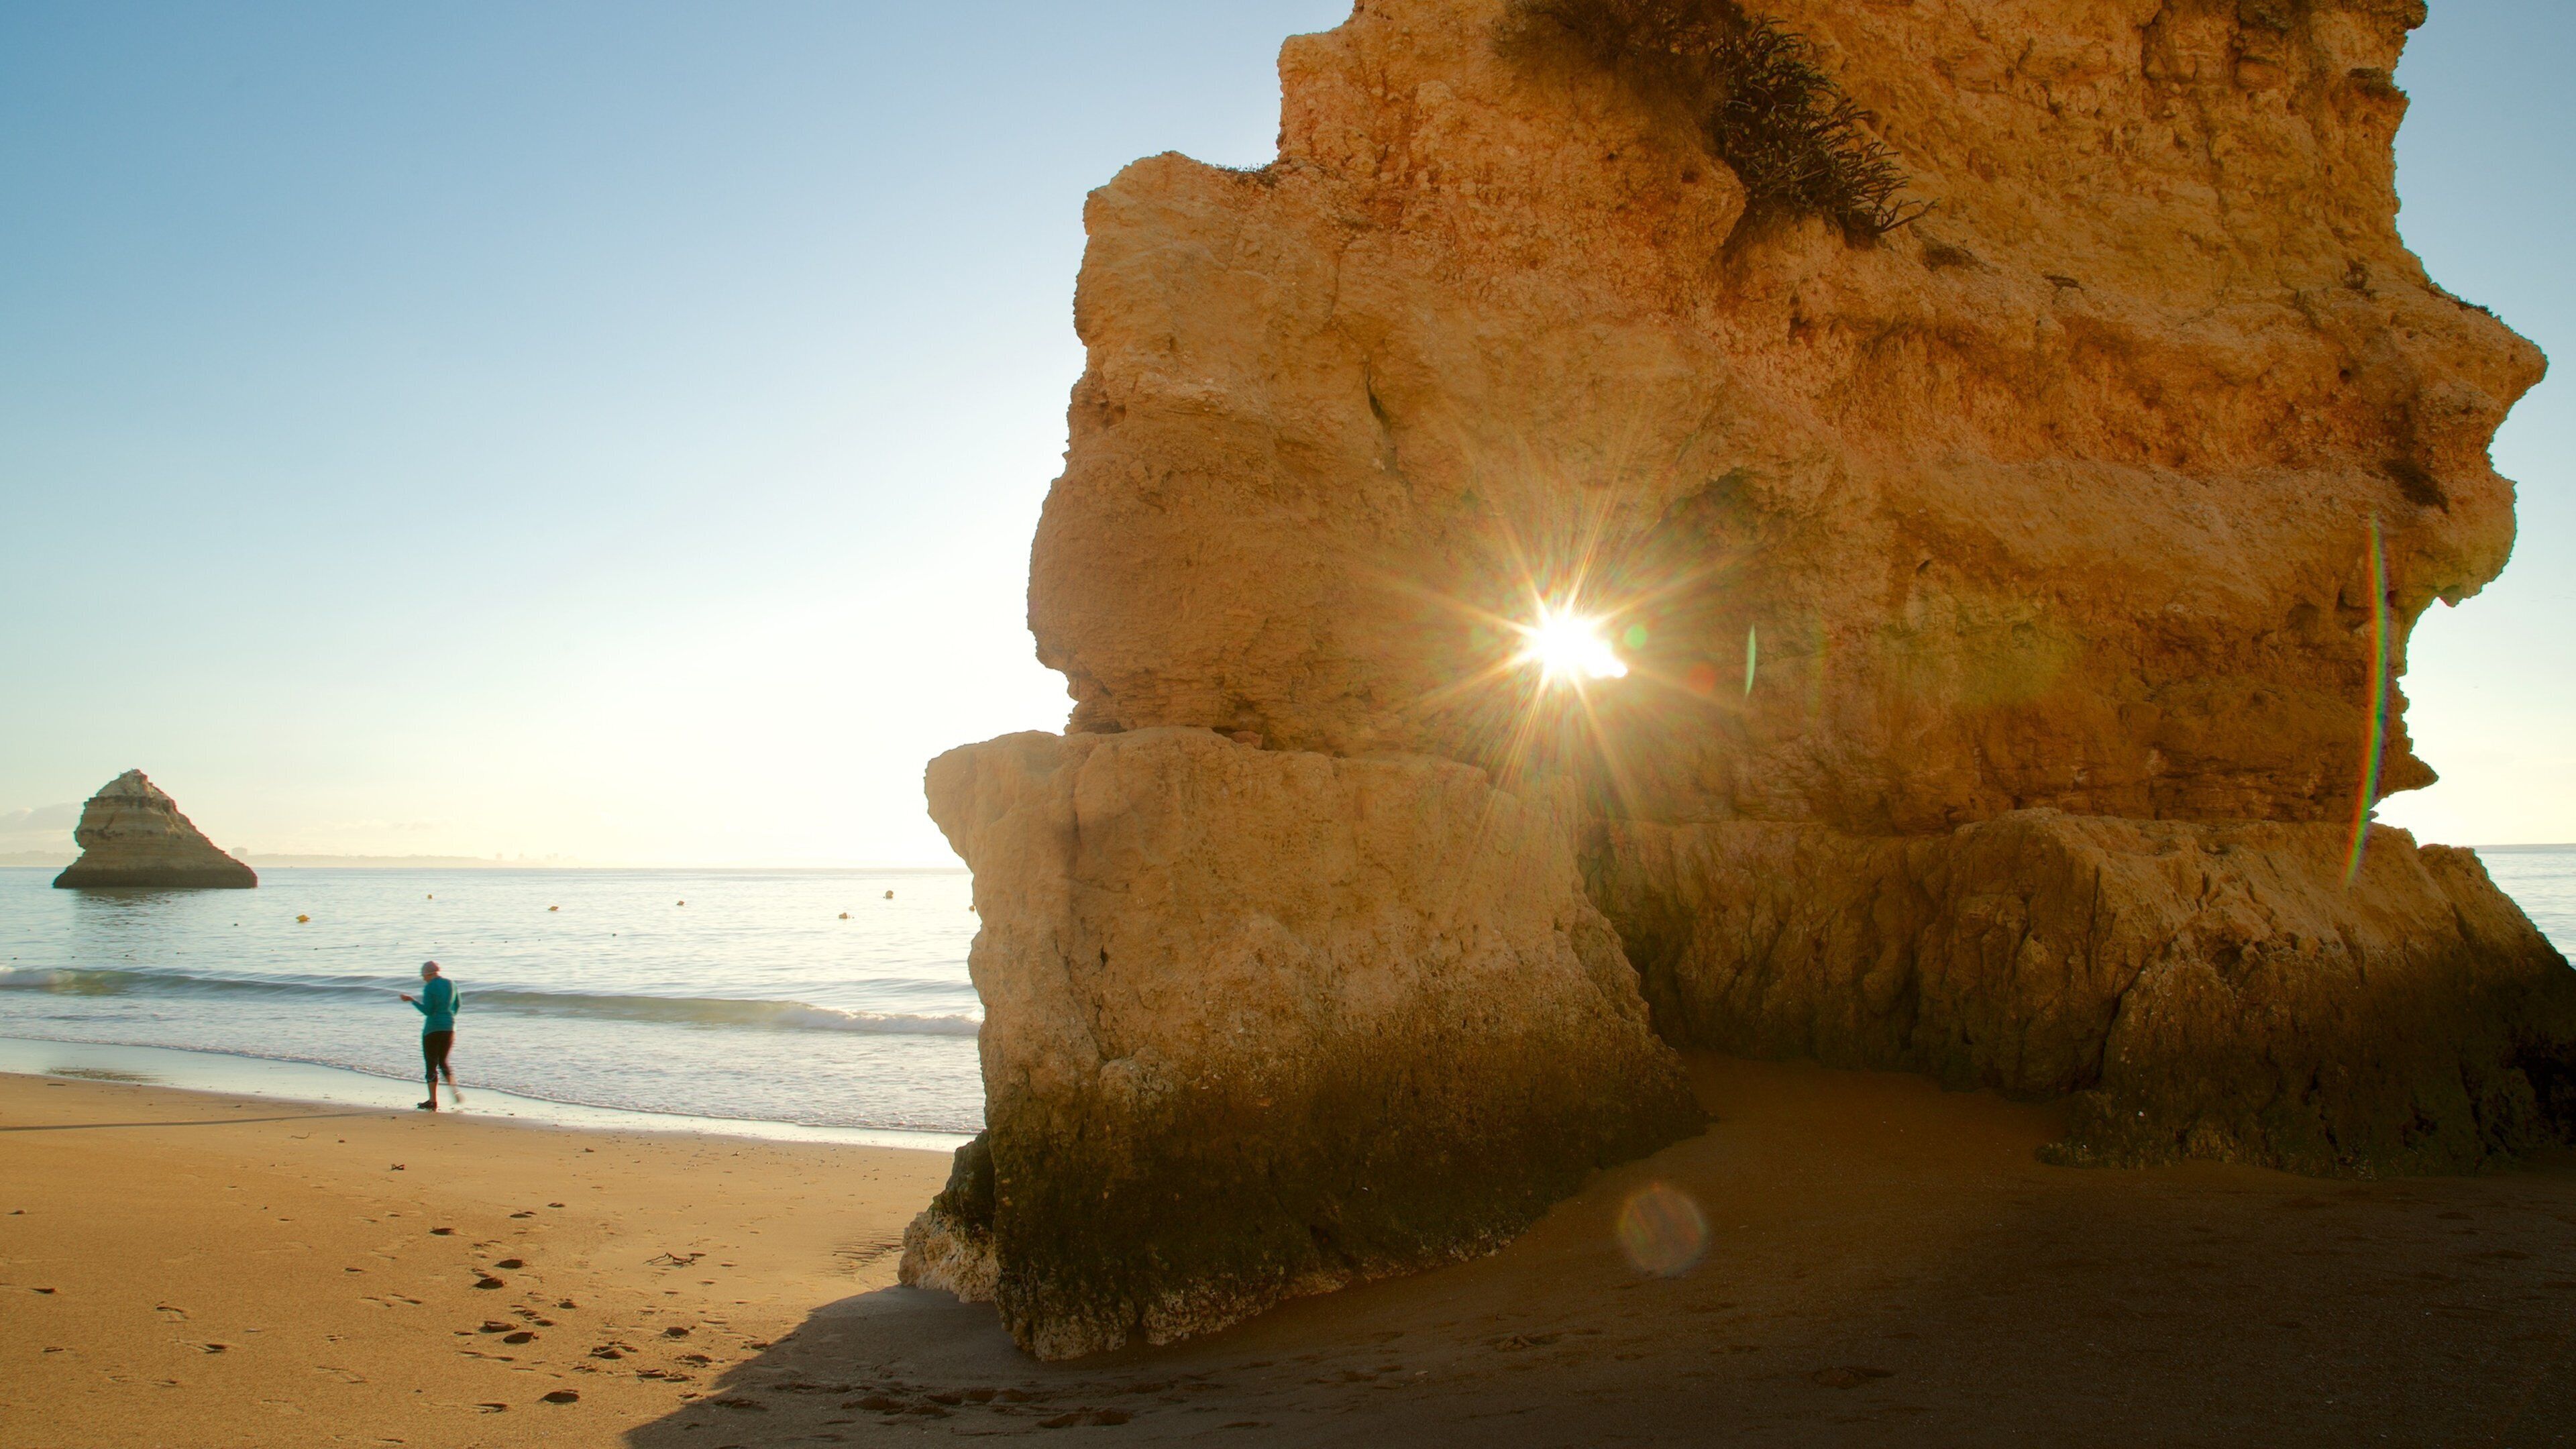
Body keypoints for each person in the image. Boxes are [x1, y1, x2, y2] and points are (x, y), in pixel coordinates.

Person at [398, 960, 464, 1111]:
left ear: (428, 974)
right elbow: (458, 1005)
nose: (423, 979)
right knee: (444, 1061)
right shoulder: (451, 984)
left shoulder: (429, 988)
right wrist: (449, 1017)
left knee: (431, 1064)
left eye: (423, 976)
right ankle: (455, 1090)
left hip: (433, 1029)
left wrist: (412, 1000)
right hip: (450, 1027)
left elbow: (428, 1011)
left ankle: (433, 1100)